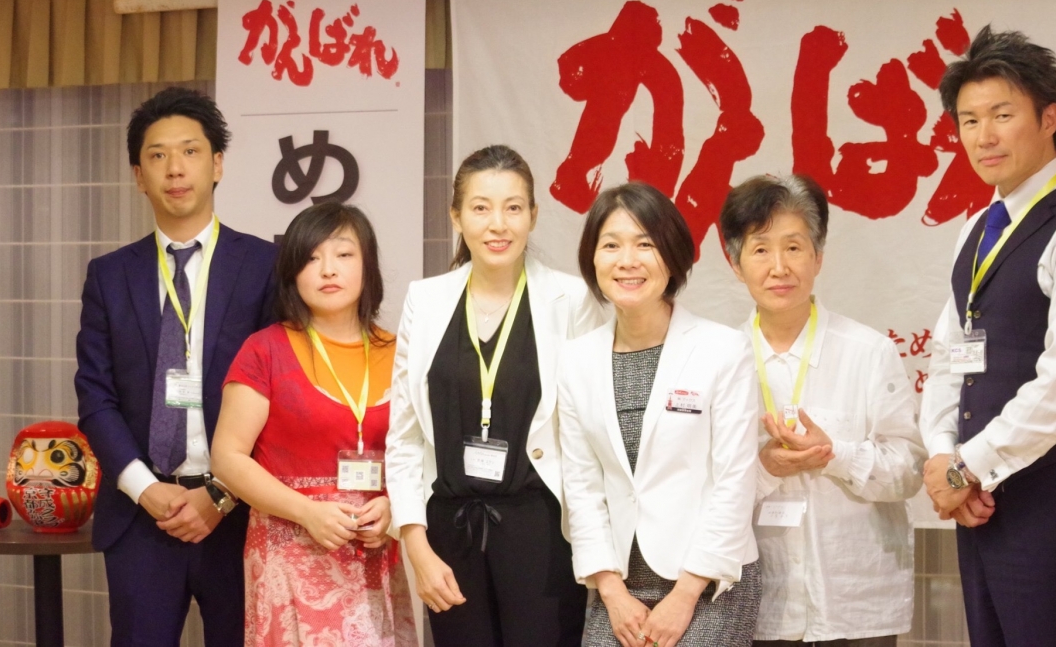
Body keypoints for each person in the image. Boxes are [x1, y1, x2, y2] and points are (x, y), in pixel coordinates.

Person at [920, 26, 1056, 647]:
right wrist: (942, 456)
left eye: (1002, 115)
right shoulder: (976, 229)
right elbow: (948, 357)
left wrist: (964, 469)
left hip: (1051, 491)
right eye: (968, 121)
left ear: (1049, 117)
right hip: (977, 493)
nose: (983, 136)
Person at [74, 87, 276, 647]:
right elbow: (95, 394)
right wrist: (144, 488)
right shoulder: (109, 275)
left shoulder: (265, 265)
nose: (175, 168)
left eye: (190, 151)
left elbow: (280, 396)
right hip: (143, 518)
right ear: (139, 176)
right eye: (157, 155)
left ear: (217, 164)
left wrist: (220, 494)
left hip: (240, 515)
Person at [385, 144, 603, 647]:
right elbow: (404, 437)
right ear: (456, 216)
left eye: (513, 207)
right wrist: (416, 544)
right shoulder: (425, 299)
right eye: (481, 208)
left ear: (533, 215)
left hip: (541, 530)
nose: (497, 224)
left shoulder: (571, 300)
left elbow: (590, 434)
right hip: (448, 532)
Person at [718, 175, 925, 647]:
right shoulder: (718, 360)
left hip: (858, 606)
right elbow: (703, 490)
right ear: (736, 264)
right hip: (758, 606)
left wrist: (836, 454)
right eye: (760, 250)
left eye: (793, 247)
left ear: (818, 257)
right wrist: (765, 467)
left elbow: (910, 472)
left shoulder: (869, 352)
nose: (779, 267)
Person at [558, 181, 761, 647]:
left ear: (672, 256)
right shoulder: (575, 359)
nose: (627, 261)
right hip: (616, 586)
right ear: (593, 258)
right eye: (611, 245)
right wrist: (611, 591)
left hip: (709, 581)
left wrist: (685, 595)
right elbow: (581, 485)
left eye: (645, 244)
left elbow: (735, 481)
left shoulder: (722, 349)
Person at [211, 202, 416, 646]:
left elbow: (421, 454)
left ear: (368, 266)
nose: (328, 269)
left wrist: (394, 505)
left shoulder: (401, 352)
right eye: (311, 257)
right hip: (290, 552)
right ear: (292, 272)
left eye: (344, 254)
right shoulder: (264, 350)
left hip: (373, 552)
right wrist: (306, 512)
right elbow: (227, 458)